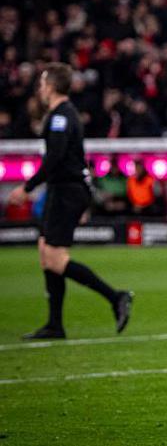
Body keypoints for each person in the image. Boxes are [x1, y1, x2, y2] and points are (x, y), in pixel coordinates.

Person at [7, 62, 132, 340]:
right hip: (62, 189)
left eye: (42, 83)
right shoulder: (60, 114)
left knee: (55, 257)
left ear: (51, 86)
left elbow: (56, 157)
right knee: (45, 251)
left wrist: (27, 188)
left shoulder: (62, 116)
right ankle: (55, 324)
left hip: (67, 191)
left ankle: (116, 297)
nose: (40, 88)